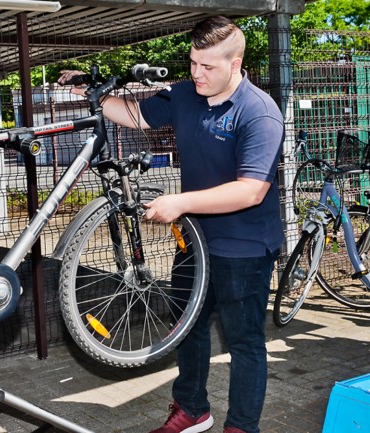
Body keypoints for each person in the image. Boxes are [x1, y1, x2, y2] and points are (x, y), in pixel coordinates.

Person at [58, 15, 284, 433]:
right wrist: (88, 90)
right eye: (193, 63)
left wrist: (179, 201)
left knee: (245, 343)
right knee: (187, 328)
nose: (197, 73)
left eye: (208, 66)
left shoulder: (259, 112)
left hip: (245, 248)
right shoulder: (185, 94)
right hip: (195, 243)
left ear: (236, 64)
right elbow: (136, 115)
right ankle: (193, 409)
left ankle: (242, 425)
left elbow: (251, 190)